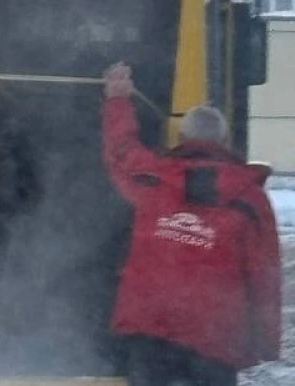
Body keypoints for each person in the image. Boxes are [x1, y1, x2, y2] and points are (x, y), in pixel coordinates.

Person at [101, 62, 281, 386]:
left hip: (152, 331)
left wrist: (117, 99)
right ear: (225, 140)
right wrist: (264, 342)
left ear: (181, 137)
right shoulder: (250, 199)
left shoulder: (153, 179)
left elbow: (121, 152)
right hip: (216, 336)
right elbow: (264, 274)